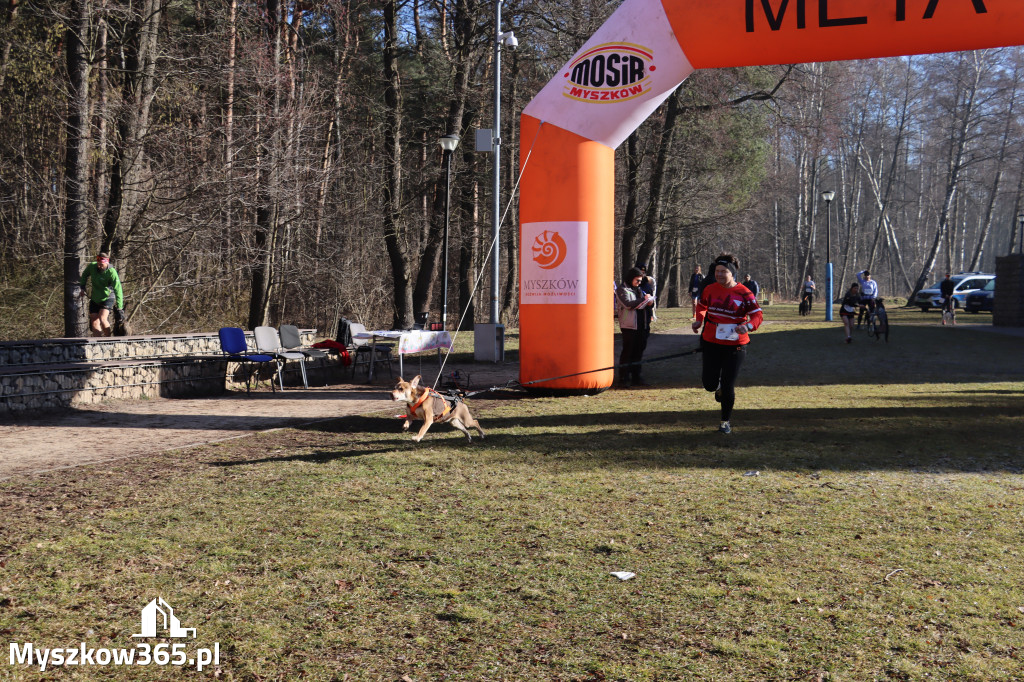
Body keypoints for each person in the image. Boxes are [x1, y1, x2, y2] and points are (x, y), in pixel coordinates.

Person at [691, 254, 762, 435]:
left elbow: (757, 315)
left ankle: (725, 422)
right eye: (717, 271)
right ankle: (718, 389)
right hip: (711, 342)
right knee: (709, 384)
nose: (719, 275)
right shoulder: (710, 289)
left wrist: (747, 326)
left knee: (728, 384)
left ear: (732, 273)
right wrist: (699, 320)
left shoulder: (744, 292)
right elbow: (702, 306)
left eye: (723, 271)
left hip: (735, 345)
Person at [614, 267, 654, 387]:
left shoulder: (639, 289)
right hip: (629, 326)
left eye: (640, 280)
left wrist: (650, 302)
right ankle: (623, 378)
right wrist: (643, 299)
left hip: (642, 325)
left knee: (638, 352)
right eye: (637, 280)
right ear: (631, 278)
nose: (639, 283)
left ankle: (636, 377)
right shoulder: (622, 289)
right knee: (628, 352)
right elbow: (627, 304)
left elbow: (645, 303)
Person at [79, 252, 124, 337]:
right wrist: (82, 287)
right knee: (94, 321)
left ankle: (108, 340)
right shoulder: (92, 266)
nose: (99, 266)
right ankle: (98, 342)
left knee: (102, 318)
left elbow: (118, 290)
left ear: (107, 263)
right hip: (95, 297)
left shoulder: (111, 272)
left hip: (108, 297)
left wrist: (120, 307)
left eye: (101, 264)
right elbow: (84, 275)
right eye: (98, 264)